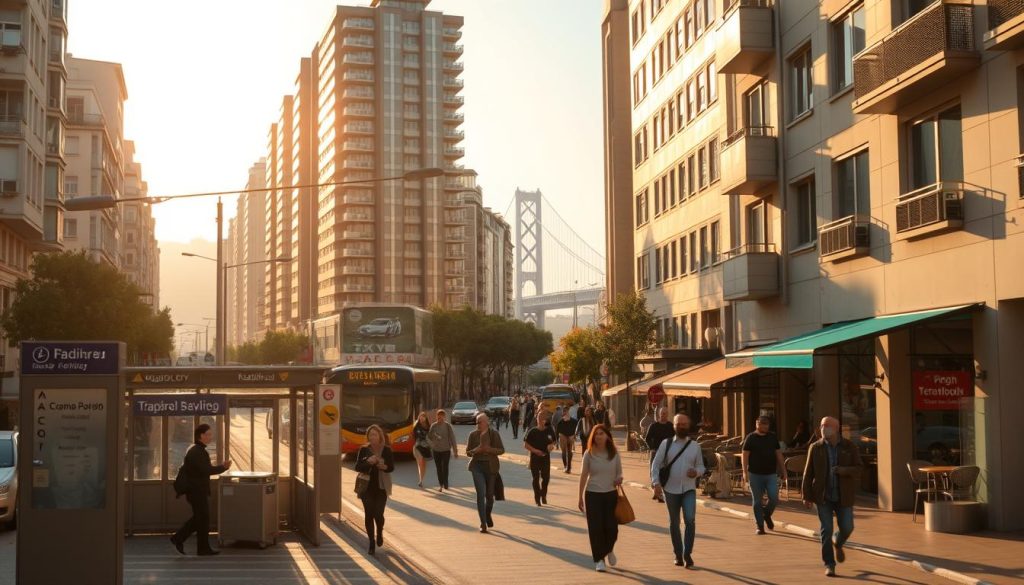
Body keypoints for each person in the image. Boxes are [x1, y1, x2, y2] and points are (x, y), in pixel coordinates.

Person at [802, 416, 862, 577]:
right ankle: (829, 564)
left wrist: (844, 470)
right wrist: (806, 496)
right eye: (821, 425)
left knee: (847, 527)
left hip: (844, 496)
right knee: (826, 529)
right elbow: (808, 474)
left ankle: (839, 541)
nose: (823, 428)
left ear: (836, 428)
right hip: (823, 496)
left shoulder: (849, 446)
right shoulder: (815, 447)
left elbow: (859, 469)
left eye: (827, 425)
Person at [651, 414, 704, 569]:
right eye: (678, 424)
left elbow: (701, 466)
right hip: (670, 490)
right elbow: (656, 464)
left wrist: (697, 472)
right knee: (674, 523)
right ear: (673, 426)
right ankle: (678, 555)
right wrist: (656, 483)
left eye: (684, 424)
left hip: (688, 488)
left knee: (690, 520)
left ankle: (688, 554)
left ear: (689, 426)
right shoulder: (666, 444)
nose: (681, 426)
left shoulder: (695, 446)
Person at [171, 423, 232, 556]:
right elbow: (206, 470)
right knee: (202, 518)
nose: (211, 437)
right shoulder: (197, 452)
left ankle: (190, 543)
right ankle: (186, 541)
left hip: (196, 490)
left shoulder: (196, 449)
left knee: (200, 518)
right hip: (196, 491)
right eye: (208, 434)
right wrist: (223, 467)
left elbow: (203, 470)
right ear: (201, 436)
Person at [578, 424, 623, 573]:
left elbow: (619, 474)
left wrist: (618, 479)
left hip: (610, 494)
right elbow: (584, 476)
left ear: (607, 436)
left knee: (612, 528)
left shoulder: (614, 453)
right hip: (593, 494)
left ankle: (609, 549)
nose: (598, 436)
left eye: (601, 433)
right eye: (596, 434)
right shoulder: (588, 454)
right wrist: (580, 497)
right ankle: (599, 559)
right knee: (595, 528)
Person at [355, 424, 395, 555]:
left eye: (375, 434)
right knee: (369, 514)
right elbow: (357, 467)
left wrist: (384, 467)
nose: (372, 437)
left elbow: (391, 467)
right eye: (370, 435)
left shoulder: (387, 450)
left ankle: (380, 532)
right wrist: (368, 462)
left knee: (378, 514)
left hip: (381, 487)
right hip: (366, 487)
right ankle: (371, 542)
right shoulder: (364, 449)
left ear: (380, 436)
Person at [742, 415, 785, 534]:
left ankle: (766, 514)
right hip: (755, 474)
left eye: (767, 424)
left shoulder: (772, 437)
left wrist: (784, 470)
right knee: (757, 501)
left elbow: (779, 454)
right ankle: (759, 526)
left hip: (770, 474)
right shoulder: (750, 438)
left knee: (774, 498)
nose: (765, 426)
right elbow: (745, 455)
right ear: (757, 424)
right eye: (762, 423)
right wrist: (745, 472)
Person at [467, 413, 505, 533]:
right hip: (477, 466)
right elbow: (468, 452)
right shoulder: (472, 435)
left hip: (491, 467)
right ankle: (483, 523)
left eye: (480, 422)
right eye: (477, 422)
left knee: (489, 496)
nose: (478, 424)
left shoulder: (494, 434)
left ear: (486, 422)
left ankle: (487, 514)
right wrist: (476, 450)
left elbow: (501, 450)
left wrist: (488, 449)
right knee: (480, 494)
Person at [524, 410, 557, 505]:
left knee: (546, 478)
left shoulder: (549, 430)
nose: (541, 419)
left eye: (543, 418)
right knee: (535, 478)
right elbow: (525, 445)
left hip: (545, 457)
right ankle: (537, 498)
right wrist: (535, 451)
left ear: (545, 419)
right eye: (539, 418)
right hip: (535, 457)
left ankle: (543, 495)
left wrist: (551, 445)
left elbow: (553, 441)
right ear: (537, 419)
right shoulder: (532, 431)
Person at [645, 407, 674, 502]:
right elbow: (647, 438)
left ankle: (661, 492)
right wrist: (652, 448)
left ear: (668, 414)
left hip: (668, 452)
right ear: (659, 414)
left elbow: (675, 439)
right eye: (662, 413)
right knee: (654, 470)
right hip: (656, 451)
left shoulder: (671, 426)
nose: (663, 415)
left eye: (665, 413)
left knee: (664, 472)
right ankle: (656, 490)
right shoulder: (654, 426)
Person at [428, 409, 459, 492]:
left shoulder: (448, 426)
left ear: (444, 417)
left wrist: (455, 451)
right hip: (436, 450)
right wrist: (434, 435)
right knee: (438, 468)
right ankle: (440, 484)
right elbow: (429, 436)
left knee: (445, 467)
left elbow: (452, 438)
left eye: (441, 418)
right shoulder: (433, 426)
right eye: (438, 418)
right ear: (436, 417)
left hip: (446, 450)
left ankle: (446, 482)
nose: (440, 419)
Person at [412, 411, 432, 488]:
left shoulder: (428, 427)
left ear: (425, 418)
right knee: (420, 462)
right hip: (417, 446)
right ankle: (420, 480)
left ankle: (421, 480)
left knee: (424, 464)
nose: (421, 418)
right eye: (420, 416)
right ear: (419, 417)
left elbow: (431, 436)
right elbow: (414, 436)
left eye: (423, 416)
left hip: (426, 447)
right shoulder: (416, 426)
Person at [556, 407, 579, 473]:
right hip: (563, 436)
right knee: (564, 452)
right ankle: (566, 466)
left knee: (569, 452)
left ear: (568, 412)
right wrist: (557, 441)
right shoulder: (561, 421)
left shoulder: (573, 421)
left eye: (566, 411)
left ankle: (568, 467)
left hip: (570, 437)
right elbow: (557, 431)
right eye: (564, 411)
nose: (565, 413)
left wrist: (575, 435)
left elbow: (577, 428)